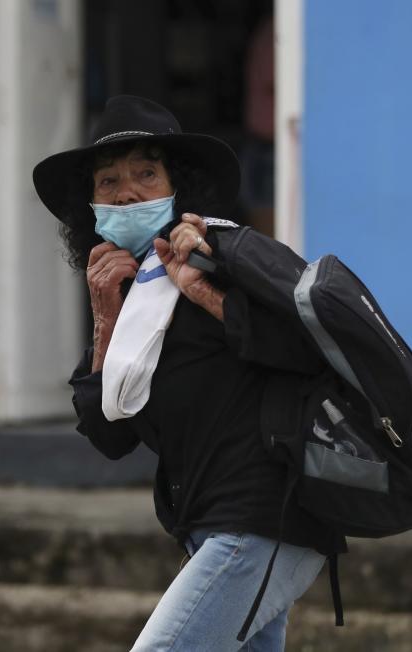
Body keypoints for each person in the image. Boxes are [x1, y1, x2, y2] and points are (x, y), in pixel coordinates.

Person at [32, 95, 343, 651]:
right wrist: (105, 319)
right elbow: (109, 435)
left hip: (264, 519)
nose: (126, 192)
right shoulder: (129, 299)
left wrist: (210, 296)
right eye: (108, 183)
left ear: (181, 188)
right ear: (91, 207)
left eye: (146, 174)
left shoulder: (225, 257)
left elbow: (310, 353)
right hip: (209, 527)